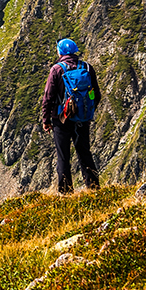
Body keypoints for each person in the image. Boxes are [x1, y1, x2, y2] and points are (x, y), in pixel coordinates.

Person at [40, 38, 101, 193]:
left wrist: (46, 120)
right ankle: (93, 188)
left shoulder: (56, 69)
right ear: (74, 51)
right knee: (84, 152)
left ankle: (66, 192)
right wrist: (86, 110)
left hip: (62, 119)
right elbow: (96, 94)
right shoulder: (86, 67)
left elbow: (48, 97)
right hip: (83, 118)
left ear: (60, 52)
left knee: (63, 156)